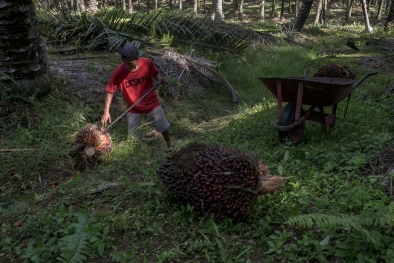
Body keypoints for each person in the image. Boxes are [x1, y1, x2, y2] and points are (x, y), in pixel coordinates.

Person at [101, 44, 172, 148]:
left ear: (137, 58)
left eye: (130, 63)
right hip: (133, 107)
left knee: (163, 127)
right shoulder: (119, 71)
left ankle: (169, 144)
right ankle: (136, 154)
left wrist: (160, 80)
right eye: (125, 64)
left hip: (151, 102)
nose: (128, 66)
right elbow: (109, 91)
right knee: (133, 137)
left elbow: (155, 74)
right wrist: (106, 111)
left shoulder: (147, 63)